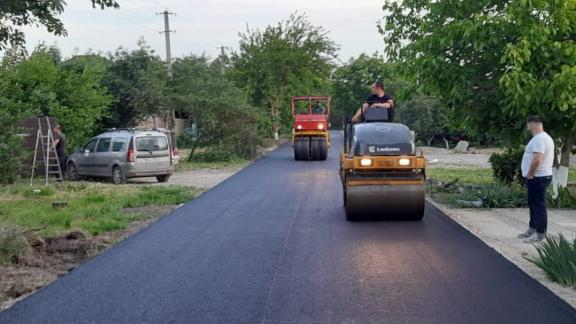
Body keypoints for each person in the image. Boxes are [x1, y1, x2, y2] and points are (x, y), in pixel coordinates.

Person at [517, 116, 554, 243]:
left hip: (538, 177)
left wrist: (530, 174)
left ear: (531, 124)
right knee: (533, 204)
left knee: (538, 205)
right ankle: (532, 229)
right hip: (539, 176)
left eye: (528, 125)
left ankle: (540, 234)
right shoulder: (544, 138)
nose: (527, 128)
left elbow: (537, 159)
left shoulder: (539, 139)